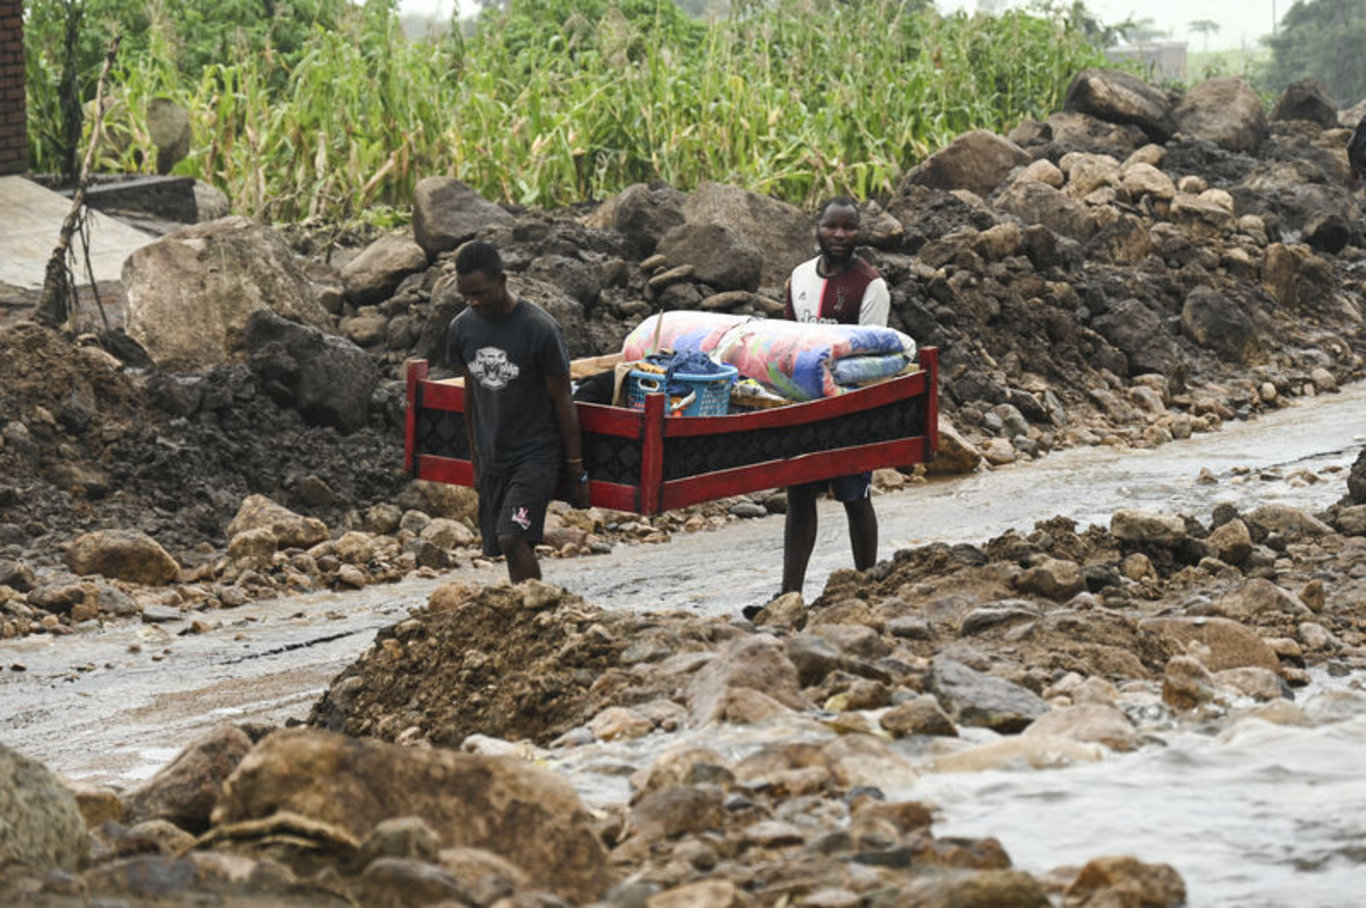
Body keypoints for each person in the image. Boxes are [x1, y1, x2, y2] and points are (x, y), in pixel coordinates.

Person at [446, 240, 589, 583]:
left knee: (513, 536)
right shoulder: (462, 328)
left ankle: (541, 607)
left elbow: (563, 400)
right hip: (493, 453)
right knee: (501, 542)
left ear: (502, 280)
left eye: (480, 293)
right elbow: (471, 394)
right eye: (465, 295)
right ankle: (525, 604)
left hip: (536, 455)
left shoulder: (540, 329)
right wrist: (476, 457)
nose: (473, 302)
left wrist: (576, 470)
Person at [778, 196, 891, 600]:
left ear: (859, 233)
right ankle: (789, 594)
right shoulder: (799, 277)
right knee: (799, 495)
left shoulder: (870, 285)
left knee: (854, 495)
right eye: (832, 226)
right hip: (805, 407)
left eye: (849, 227)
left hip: (849, 409)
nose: (839, 234)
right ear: (818, 227)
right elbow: (788, 342)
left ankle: (867, 586)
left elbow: (872, 355)